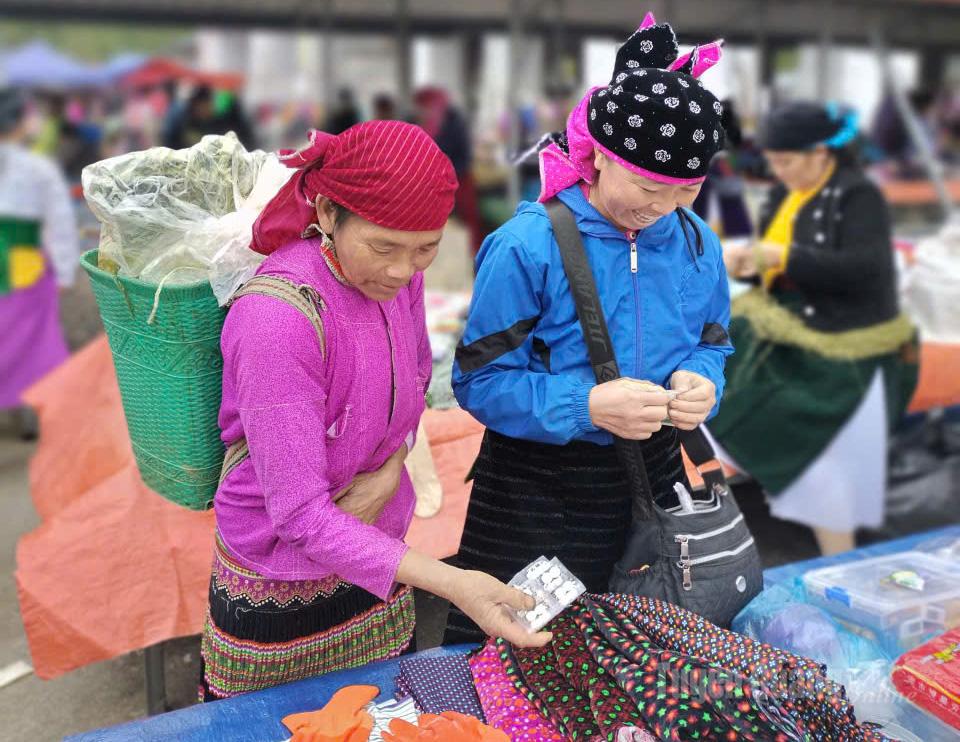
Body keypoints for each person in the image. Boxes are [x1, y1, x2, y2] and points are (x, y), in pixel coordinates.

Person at [200, 121, 549, 701]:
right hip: (278, 581)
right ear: (328, 212)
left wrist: (390, 470)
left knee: (383, 719)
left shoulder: (398, 281)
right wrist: (456, 584)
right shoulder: (277, 320)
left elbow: (414, 386)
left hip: (378, 560)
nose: (402, 270)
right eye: (383, 247)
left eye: (425, 248)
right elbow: (300, 518)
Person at [444, 14, 733, 644]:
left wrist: (702, 380)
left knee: (641, 649)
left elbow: (713, 341)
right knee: (521, 653)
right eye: (647, 184)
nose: (662, 207)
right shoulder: (528, 244)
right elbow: (479, 380)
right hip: (539, 487)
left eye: (685, 190)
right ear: (599, 154)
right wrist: (587, 405)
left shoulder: (695, 241)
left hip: (655, 475)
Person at [710, 102, 918, 556]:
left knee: (799, 436)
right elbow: (774, 263)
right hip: (793, 324)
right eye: (774, 161)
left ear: (820, 153)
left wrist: (778, 258)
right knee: (716, 358)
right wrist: (750, 265)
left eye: (786, 161)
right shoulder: (785, 195)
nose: (778, 172)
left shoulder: (857, 195)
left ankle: (824, 527)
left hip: (850, 342)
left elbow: (864, 269)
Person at [0, 89, 79, 439]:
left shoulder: (37, 168)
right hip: (25, 263)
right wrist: (64, 269)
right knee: (31, 342)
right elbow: (60, 221)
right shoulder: (38, 168)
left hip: (16, 259)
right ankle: (28, 414)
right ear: (20, 122)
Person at [413, 86, 485, 256]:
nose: (425, 111)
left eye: (428, 106)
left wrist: (447, 174)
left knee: (469, 220)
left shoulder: (454, 123)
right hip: (434, 181)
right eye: (423, 107)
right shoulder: (426, 124)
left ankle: (477, 255)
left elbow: (464, 157)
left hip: (459, 179)